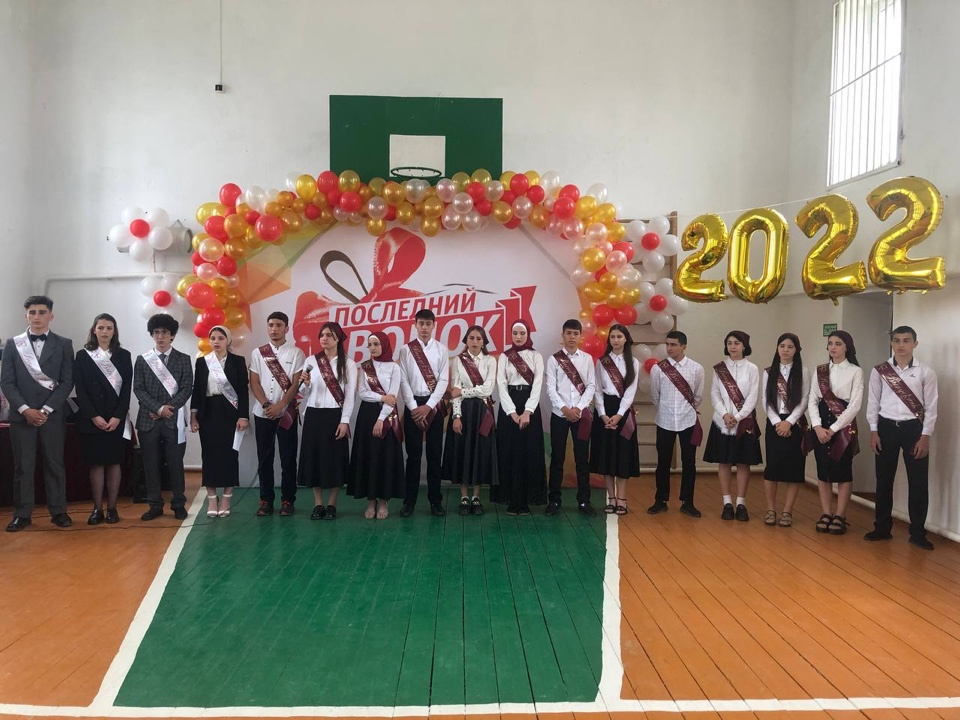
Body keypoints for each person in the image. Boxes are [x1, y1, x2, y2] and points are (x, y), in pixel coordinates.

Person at [1, 295, 75, 532]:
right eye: (32, 312)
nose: (37, 317)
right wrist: (25, 409)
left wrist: (45, 410)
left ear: (51, 315)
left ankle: (59, 511)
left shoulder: (64, 344)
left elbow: (67, 381)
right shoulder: (13, 344)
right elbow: (7, 382)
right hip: (22, 416)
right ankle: (22, 514)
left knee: (54, 463)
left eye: (42, 312)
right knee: (23, 467)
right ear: (26, 315)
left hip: (51, 416)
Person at [865, 326, 938, 550]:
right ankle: (881, 528)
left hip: (913, 430)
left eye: (906, 340)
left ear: (915, 343)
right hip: (886, 427)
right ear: (891, 344)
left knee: (918, 482)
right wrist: (874, 430)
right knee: (883, 480)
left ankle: (918, 533)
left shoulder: (926, 373)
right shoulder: (879, 371)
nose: (901, 345)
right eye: (897, 340)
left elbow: (931, 408)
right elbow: (873, 403)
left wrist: (925, 436)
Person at [73, 313, 132, 525]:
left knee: (114, 462)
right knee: (96, 464)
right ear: (94, 330)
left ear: (114, 331)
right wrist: (93, 416)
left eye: (109, 328)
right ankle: (97, 509)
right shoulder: (82, 356)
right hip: (92, 419)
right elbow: (80, 389)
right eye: (101, 327)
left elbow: (126, 390)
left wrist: (118, 416)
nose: (105, 331)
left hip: (115, 418)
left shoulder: (124, 356)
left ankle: (112, 508)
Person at [134, 314, 192, 521]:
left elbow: (187, 388)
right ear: (152, 334)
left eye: (165, 332)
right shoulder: (142, 360)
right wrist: (158, 409)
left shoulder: (183, 359)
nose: (160, 336)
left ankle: (178, 504)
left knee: (175, 464)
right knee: (150, 464)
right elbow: (138, 389)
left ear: (172, 335)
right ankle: (154, 505)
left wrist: (168, 409)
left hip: (173, 420)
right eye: (156, 332)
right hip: (148, 420)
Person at [297, 321, 356, 520]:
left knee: (334, 461)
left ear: (338, 338)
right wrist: (305, 384)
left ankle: (332, 504)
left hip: (335, 416)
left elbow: (350, 395)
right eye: (322, 335)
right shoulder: (311, 360)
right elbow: (303, 392)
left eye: (329, 335)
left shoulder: (348, 363)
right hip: (314, 415)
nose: (324, 338)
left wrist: (345, 421)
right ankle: (318, 504)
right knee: (315, 460)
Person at [190, 326, 250, 517]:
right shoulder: (202, 362)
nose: (216, 341)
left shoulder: (237, 361)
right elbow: (197, 391)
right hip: (208, 413)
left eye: (221, 338)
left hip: (230, 413)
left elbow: (243, 391)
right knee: (209, 456)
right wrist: (193, 416)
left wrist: (243, 416)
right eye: (213, 338)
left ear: (228, 340)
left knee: (229, 456)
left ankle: (226, 497)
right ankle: (211, 499)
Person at [249, 311, 304, 517]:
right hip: (263, 413)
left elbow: (296, 383)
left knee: (288, 459)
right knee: (265, 459)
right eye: (271, 325)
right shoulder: (258, 353)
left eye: (279, 325)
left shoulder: (296, 353)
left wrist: (281, 405)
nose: (274, 329)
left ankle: (288, 500)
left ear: (286, 328)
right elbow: (254, 382)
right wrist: (266, 404)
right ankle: (266, 500)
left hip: (286, 413)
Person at [808, 330, 863, 535]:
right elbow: (812, 400)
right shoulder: (820, 370)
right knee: (823, 470)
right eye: (830, 343)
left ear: (847, 347)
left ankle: (840, 515)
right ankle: (826, 513)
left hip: (843, 426)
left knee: (843, 471)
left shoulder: (856, 371)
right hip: (821, 424)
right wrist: (817, 426)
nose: (833, 347)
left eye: (838, 343)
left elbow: (855, 405)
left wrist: (832, 429)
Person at [704, 330, 762, 521]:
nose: (733, 346)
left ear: (744, 346)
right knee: (724, 461)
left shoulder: (752, 368)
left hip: (744, 422)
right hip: (722, 421)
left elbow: (753, 396)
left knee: (743, 462)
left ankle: (741, 503)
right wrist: (725, 414)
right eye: (729, 343)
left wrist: (737, 417)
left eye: (737, 343)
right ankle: (727, 503)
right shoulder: (719, 368)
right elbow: (714, 394)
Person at [397, 309, 449, 517]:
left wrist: (429, 405)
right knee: (413, 456)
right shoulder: (406, 350)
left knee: (435, 455)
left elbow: (444, 380)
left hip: (433, 406)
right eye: (421, 323)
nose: (425, 327)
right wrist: (413, 407)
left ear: (434, 325)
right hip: (413, 406)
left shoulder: (442, 350)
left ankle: (435, 501)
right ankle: (409, 501)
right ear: (415, 325)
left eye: (428, 323)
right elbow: (403, 380)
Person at [442, 325, 498, 516]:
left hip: (483, 411)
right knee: (463, 451)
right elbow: (454, 389)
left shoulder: (490, 360)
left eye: (478, 338)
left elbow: (487, 389)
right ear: (466, 340)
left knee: (480, 451)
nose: (475, 342)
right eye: (471, 338)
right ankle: (464, 497)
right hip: (464, 410)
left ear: (484, 341)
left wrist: (464, 391)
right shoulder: (458, 360)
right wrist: (456, 416)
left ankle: (476, 497)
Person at [348, 331, 405, 519]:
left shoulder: (394, 368)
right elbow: (363, 393)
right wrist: (381, 397)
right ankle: (371, 500)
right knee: (369, 456)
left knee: (385, 457)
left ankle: (383, 501)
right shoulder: (365, 367)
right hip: (367, 415)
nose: (372, 348)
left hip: (387, 416)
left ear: (385, 345)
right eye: (370, 344)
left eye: (376, 344)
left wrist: (381, 419)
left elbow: (392, 397)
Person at [648, 330, 704, 518]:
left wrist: (686, 410)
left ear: (684, 346)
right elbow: (655, 395)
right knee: (662, 462)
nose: (669, 348)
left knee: (689, 462)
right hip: (664, 420)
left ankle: (688, 502)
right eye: (667, 344)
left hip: (688, 420)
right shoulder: (658, 369)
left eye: (673, 345)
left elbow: (698, 396)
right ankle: (660, 500)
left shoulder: (696, 368)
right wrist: (665, 410)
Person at [493, 320, 546, 514]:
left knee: (529, 452)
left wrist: (527, 411)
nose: (518, 337)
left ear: (528, 334)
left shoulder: (536, 356)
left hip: (530, 405)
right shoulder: (505, 356)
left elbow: (538, 384)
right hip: (509, 406)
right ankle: (511, 499)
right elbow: (501, 384)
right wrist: (512, 412)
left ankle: (526, 500)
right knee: (509, 452)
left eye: (522, 333)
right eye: (515, 333)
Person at [545, 319, 597, 516]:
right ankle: (554, 501)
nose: (572, 337)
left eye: (575, 333)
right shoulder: (554, 360)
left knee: (582, 459)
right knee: (557, 458)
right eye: (568, 333)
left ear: (580, 336)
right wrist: (565, 409)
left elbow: (591, 386)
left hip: (580, 416)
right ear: (563, 335)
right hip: (559, 415)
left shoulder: (587, 359)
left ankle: (584, 501)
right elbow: (550, 388)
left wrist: (579, 408)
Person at [761, 333, 810, 528]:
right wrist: (777, 422)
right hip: (774, 423)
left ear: (796, 350)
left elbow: (804, 400)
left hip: (795, 423)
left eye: (790, 347)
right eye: (782, 346)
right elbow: (765, 400)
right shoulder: (769, 372)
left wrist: (789, 422)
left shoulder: (803, 372)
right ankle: (771, 510)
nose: (785, 350)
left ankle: (787, 512)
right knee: (772, 468)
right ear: (777, 348)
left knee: (794, 469)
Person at [590, 324, 640, 515]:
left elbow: (631, 391)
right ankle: (611, 498)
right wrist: (602, 414)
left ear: (626, 339)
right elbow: (597, 389)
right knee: (606, 454)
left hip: (623, 412)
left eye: (619, 336)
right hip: (604, 411)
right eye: (613, 337)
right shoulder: (602, 362)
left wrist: (619, 415)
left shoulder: (633, 362)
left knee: (623, 455)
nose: (616, 340)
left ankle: (622, 499)